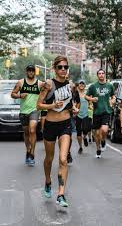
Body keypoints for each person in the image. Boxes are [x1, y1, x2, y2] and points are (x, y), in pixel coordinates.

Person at [37, 55, 77, 207]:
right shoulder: (48, 84)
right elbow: (38, 105)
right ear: (54, 68)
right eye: (60, 67)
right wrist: (52, 106)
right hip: (50, 125)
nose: (63, 70)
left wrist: (73, 108)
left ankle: (61, 194)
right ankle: (48, 181)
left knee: (63, 159)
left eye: (65, 67)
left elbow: (69, 103)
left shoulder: (70, 85)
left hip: (65, 125)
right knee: (49, 158)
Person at [11, 64, 43, 166]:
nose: (31, 72)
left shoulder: (39, 83)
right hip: (23, 111)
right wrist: (20, 95)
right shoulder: (21, 82)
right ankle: (28, 150)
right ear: (26, 71)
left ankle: (32, 154)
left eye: (32, 71)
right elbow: (12, 94)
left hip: (34, 110)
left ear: (35, 72)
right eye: (29, 71)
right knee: (26, 133)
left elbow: (49, 90)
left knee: (32, 130)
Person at [86, 69, 115, 158]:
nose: (101, 75)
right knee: (96, 134)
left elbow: (113, 96)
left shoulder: (110, 86)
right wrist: (92, 99)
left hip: (106, 111)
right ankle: (98, 149)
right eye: (99, 73)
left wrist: (113, 100)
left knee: (105, 130)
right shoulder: (93, 86)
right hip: (96, 112)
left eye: (103, 73)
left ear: (105, 75)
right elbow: (86, 96)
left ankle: (103, 141)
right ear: (97, 75)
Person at [75, 79, 91, 154]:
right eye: (80, 84)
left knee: (86, 129)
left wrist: (91, 106)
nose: (81, 85)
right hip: (78, 115)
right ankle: (80, 147)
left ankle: (84, 137)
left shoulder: (87, 94)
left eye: (83, 84)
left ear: (84, 86)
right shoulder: (75, 94)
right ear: (78, 85)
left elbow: (91, 103)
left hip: (85, 115)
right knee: (78, 132)